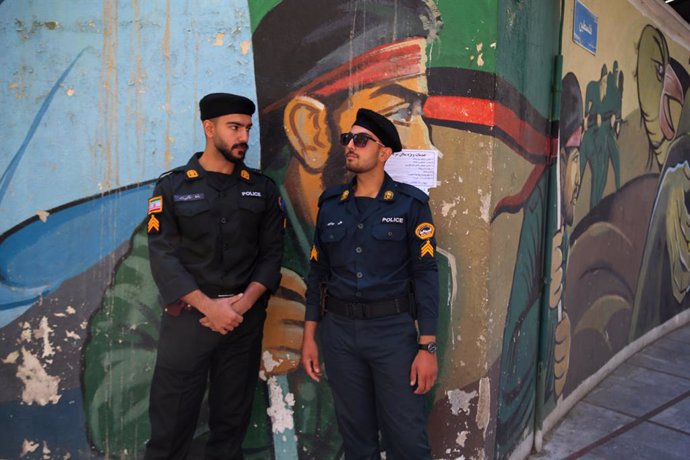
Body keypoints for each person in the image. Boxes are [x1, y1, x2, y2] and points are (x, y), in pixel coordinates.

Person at [144, 92, 284, 459]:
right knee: (169, 431)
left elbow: (271, 256)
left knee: (230, 429)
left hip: (242, 326)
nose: (243, 137)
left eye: (247, 128)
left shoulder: (263, 189)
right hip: (188, 326)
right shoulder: (172, 188)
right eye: (234, 127)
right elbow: (162, 256)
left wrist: (240, 306)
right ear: (209, 128)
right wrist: (209, 307)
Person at [301, 108, 439, 459]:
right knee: (356, 440)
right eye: (347, 139)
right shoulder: (331, 205)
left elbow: (425, 275)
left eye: (361, 140)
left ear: (384, 152)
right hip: (340, 335)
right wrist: (309, 337)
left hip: (391, 335)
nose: (350, 145)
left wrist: (428, 347)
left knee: (407, 440)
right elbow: (318, 274)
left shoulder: (411, 204)